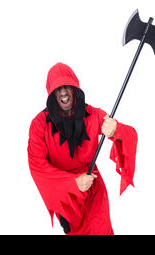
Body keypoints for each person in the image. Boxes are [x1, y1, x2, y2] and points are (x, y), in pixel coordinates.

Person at [27, 62, 138, 234]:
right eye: (58, 88)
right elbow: (37, 167)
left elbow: (130, 134)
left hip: (93, 188)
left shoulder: (92, 114)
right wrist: (72, 183)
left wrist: (117, 129)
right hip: (66, 195)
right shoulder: (39, 124)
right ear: (51, 93)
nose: (63, 92)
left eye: (67, 86)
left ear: (74, 89)